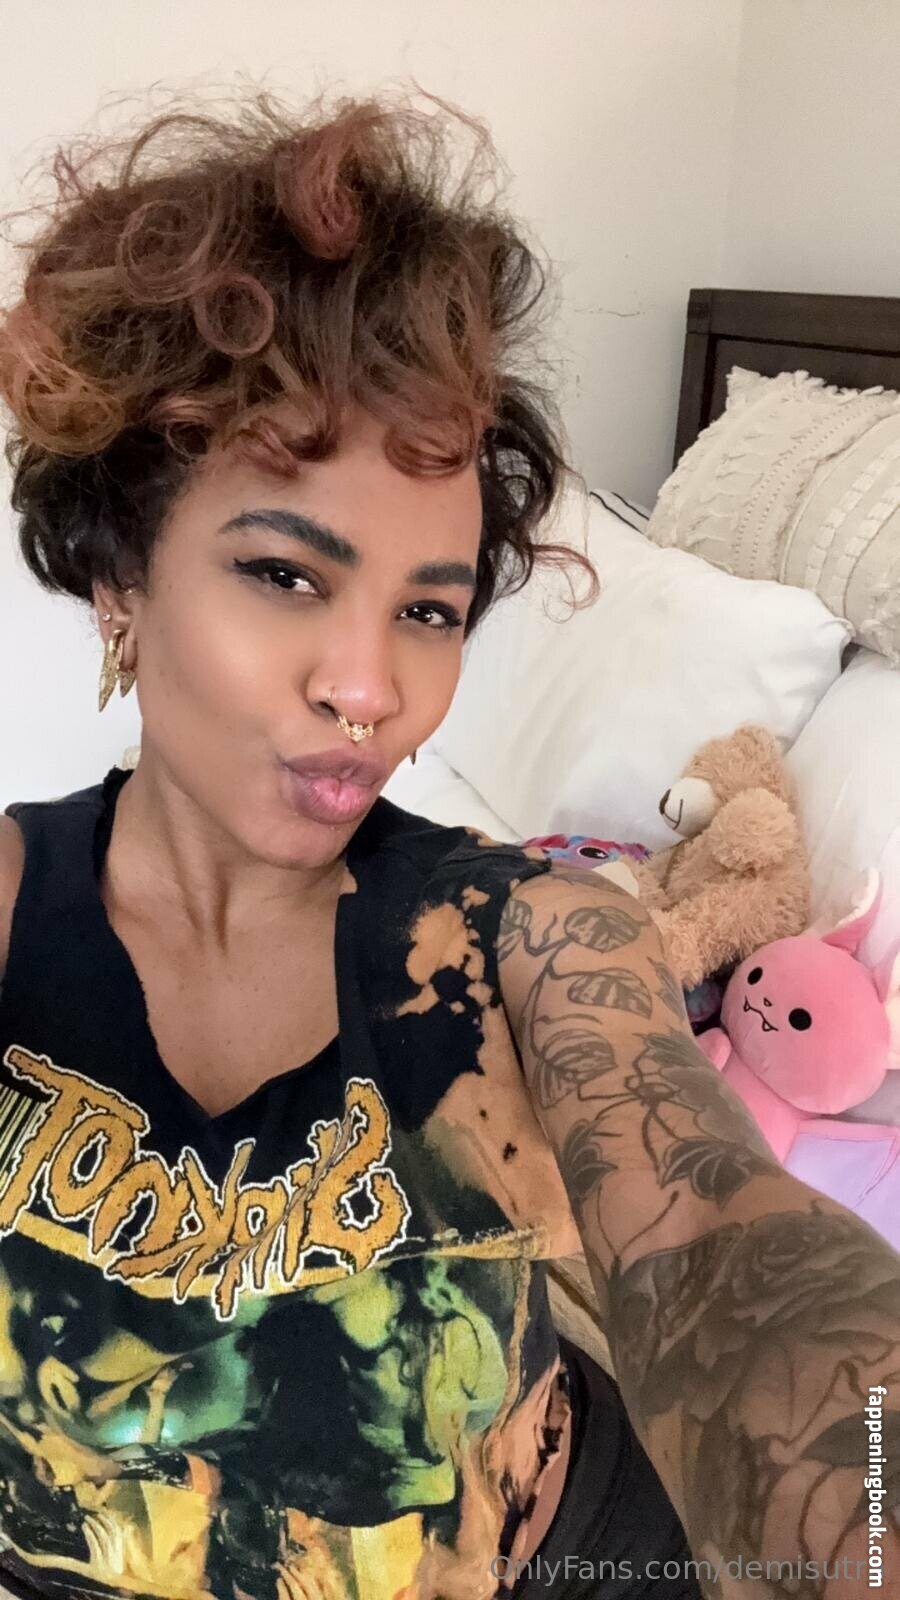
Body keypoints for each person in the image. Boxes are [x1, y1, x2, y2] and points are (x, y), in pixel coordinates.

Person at [0, 87, 895, 1600]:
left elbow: (725, 1244)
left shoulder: (531, 936)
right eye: (287, 574)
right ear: (120, 579)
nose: (375, 689)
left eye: (429, 608)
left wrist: (865, 1502)